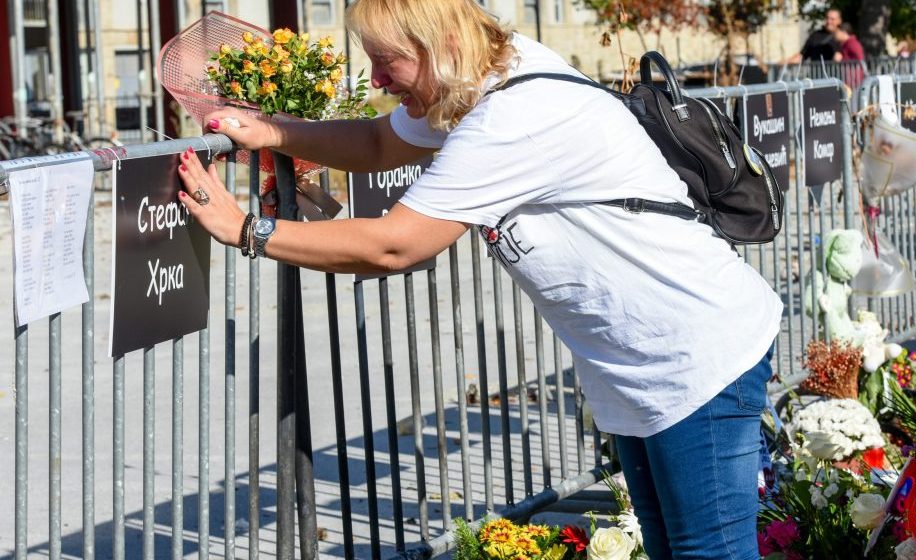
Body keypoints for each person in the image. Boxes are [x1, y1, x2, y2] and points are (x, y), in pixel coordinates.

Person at [177, 0, 782, 556]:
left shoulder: (512, 116)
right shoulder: (485, 73)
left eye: (387, 61)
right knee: (675, 547)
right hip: (643, 365)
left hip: (692, 356)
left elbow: (394, 244)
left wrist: (245, 230)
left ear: (440, 44)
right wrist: (274, 131)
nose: (377, 80)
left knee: (708, 551)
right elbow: (378, 142)